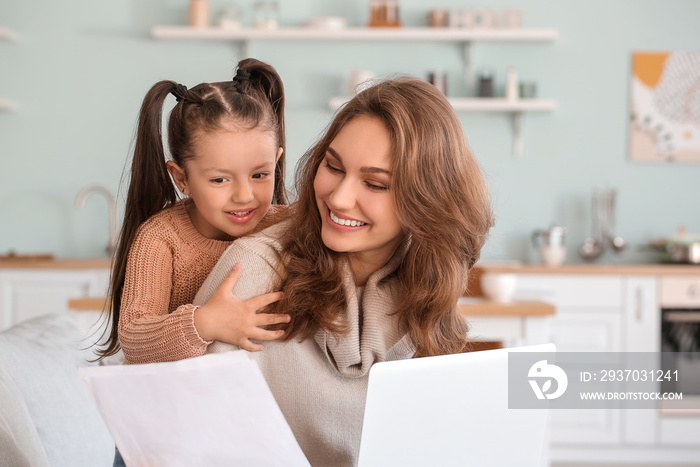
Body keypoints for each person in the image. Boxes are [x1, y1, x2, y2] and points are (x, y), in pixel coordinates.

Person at [189, 77, 494, 466]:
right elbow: (193, 439)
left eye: (374, 183)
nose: (339, 197)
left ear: (426, 199)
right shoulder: (254, 269)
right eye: (333, 167)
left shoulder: (423, 279)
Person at [96, 58, 292, 365]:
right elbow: (134, 337)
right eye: (220, 179)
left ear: (276, 161)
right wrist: (206, 323)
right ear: (182, 178)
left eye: (260, 175)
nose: (245, 196)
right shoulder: (161, 239)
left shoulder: (287, 225)